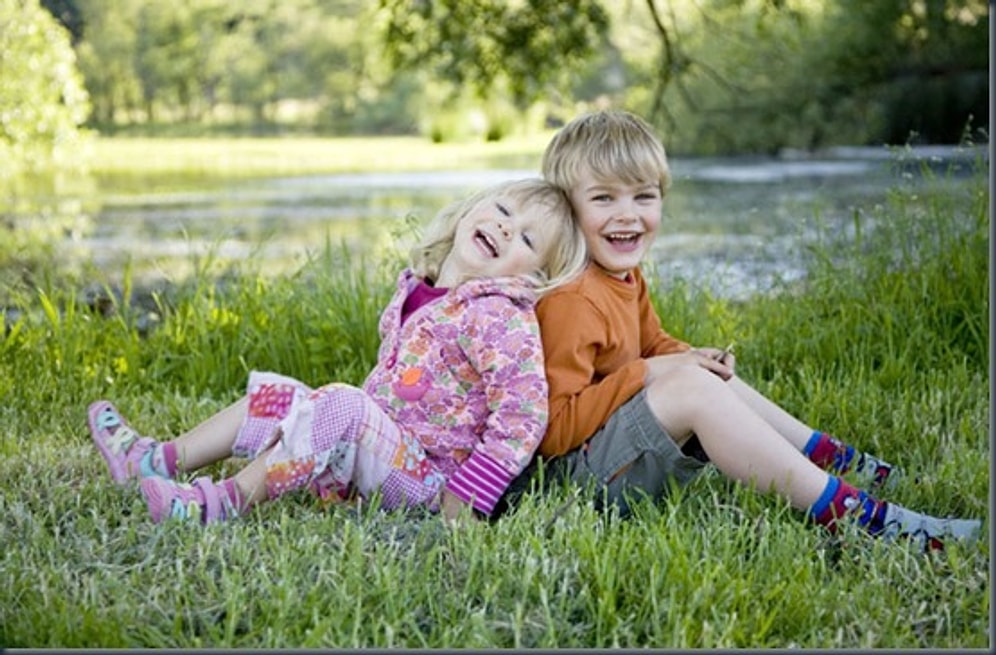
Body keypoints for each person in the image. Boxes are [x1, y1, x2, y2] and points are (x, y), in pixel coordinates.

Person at [522, 109, 981, 551]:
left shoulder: (621, 276)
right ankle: (860, 517)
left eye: (644, 196)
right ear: (567, 210)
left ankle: (831, 457)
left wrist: (688, 356)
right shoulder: (572, 299)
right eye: (603, 198)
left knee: (698, 375)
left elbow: (653, 344)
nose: (628, 214)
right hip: (574, 483)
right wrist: (651, 371)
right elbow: (554, 431)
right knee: (688, 386)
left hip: (611, 457)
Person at [87, 178, 588, 524]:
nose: (506, 227)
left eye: (527, 238)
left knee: (343, 403)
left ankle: (218, 503)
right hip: (381, 451)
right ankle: (154, 460)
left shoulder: (500, 316)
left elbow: (522, 416)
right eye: (502, 210)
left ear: (534, 276)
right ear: (470, 210)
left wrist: (467, 498)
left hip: (428, 481)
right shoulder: (421, 287)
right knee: (280, 396)